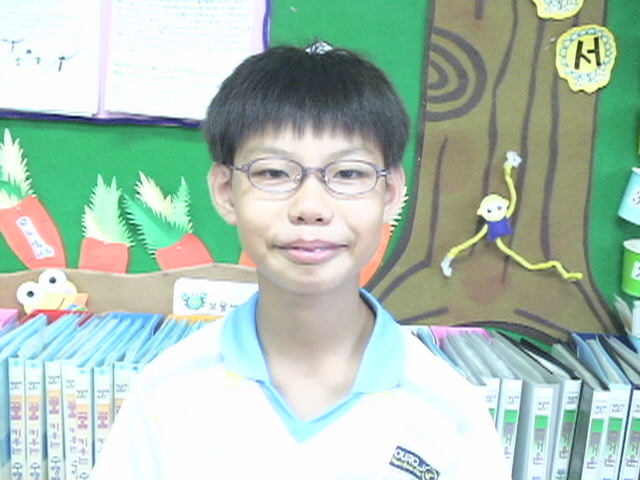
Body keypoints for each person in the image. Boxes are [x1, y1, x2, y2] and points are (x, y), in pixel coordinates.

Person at [89, 42, 511, 480]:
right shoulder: (165, 394)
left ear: (390, 195)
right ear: (226, 192)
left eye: (348, 173)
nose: (310, 207)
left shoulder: (449, 412)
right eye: (273, 173)